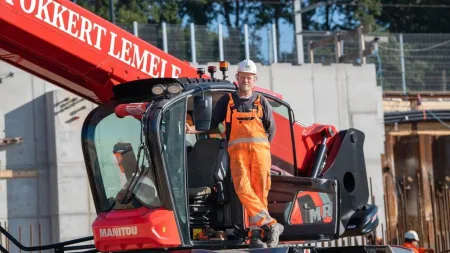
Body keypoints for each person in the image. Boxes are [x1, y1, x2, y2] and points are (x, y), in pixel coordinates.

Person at [185, 59, 283, 248]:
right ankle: (271, 225)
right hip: (238, 154)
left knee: (260, 193)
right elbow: (212, 123)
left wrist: (261, 149)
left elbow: (271, 129)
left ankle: (257, 235)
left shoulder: (261, 102)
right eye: (243, 77)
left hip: (260, 153)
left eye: (249, 77)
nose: (246, 80)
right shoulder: (228, 101)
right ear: (237, 78)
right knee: (243, 189)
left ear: (254, 80)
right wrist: (194, 129)